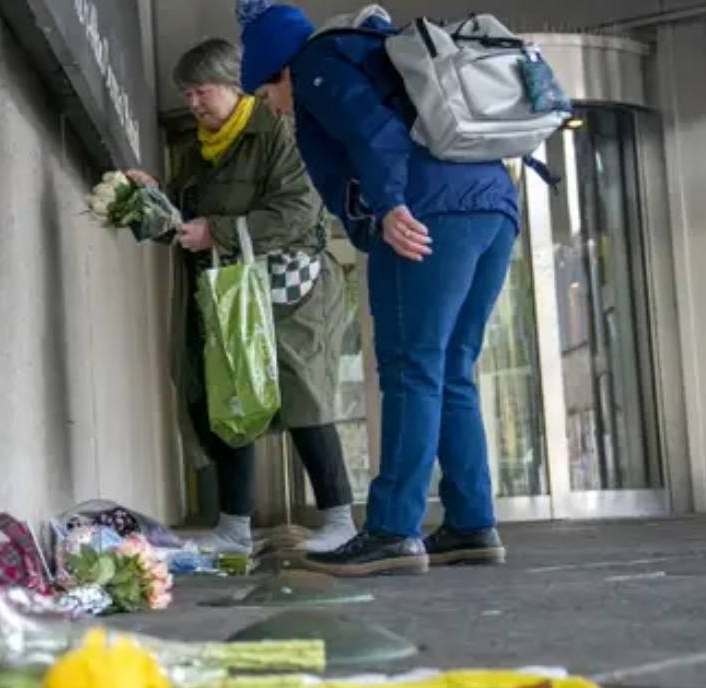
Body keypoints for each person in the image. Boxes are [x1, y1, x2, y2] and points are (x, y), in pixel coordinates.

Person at [238, 1, 517, 576]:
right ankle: (471, 523)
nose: (272, 105)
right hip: (493, 203)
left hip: (428, 213)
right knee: (452, 368)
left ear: (278, 69)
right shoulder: (374, 55)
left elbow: (373, 131)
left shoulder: (317, 65)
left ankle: (392, 528)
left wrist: (390, 205)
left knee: (411, 369)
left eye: (266, 92)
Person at [129, 37, 356, 556]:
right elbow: (186, 226)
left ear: (234, 85)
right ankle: (234, 529)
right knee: (229, 395)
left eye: (201, 91)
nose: (193, 104)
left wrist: (219, 232)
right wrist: (149, 201)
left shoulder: (278, 132)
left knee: (303, 392)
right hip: (232, 293)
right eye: (186, 94)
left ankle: (340, 519)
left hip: (292, 290)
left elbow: (298, 211)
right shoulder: (196, 150)